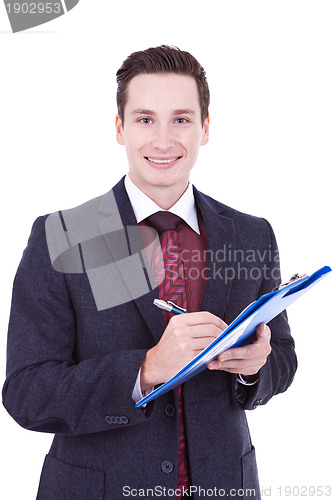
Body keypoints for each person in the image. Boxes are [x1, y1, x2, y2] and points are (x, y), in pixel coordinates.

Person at [2, 45, 297, 500]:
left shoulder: (251, 235)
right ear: (120, 128)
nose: (162, 141)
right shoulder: (62, 236)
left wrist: (254, 369)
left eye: (181, 119)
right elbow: (28, 393)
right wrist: (146, 369)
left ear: (205, 128)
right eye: (144, 119)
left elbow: (283, 358)